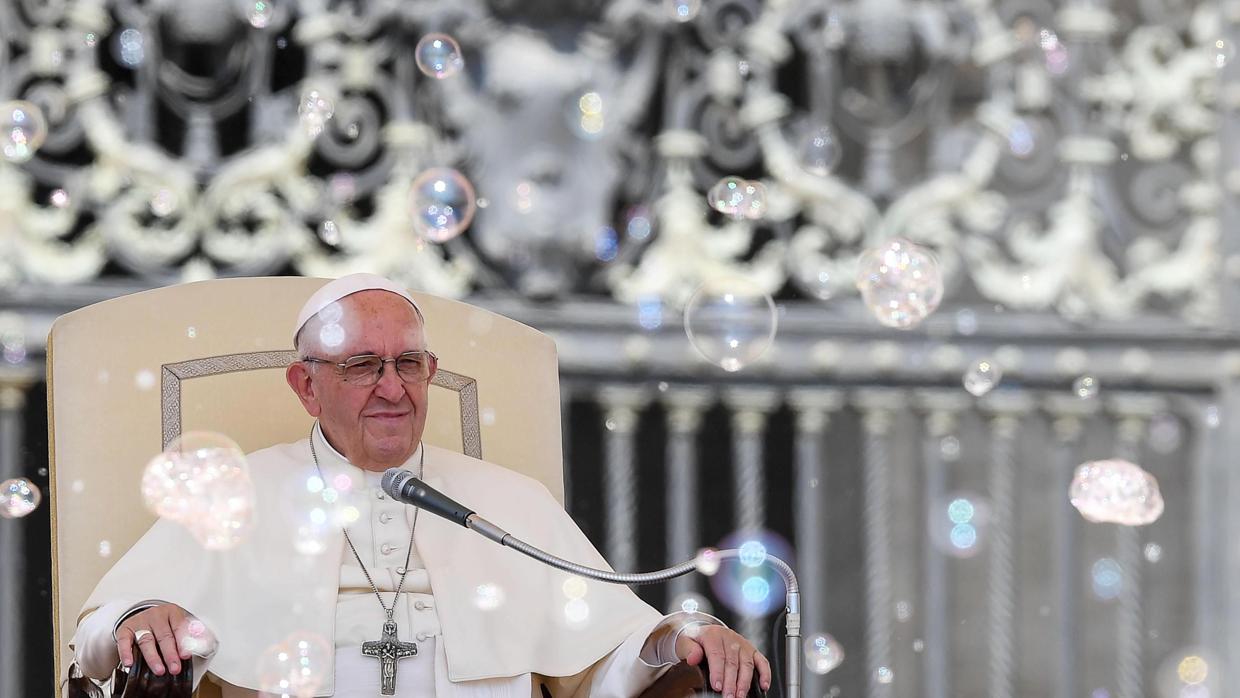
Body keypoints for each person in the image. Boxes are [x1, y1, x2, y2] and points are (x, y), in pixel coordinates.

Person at [71, 273, 772, 697]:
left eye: (409, 364)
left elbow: (604, 656)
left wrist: (683, 635)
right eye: (362, 367)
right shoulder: (236, 493)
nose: (392, 389)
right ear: (305, 385)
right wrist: (141, 615)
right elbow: (102, 633)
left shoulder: (508, 500)